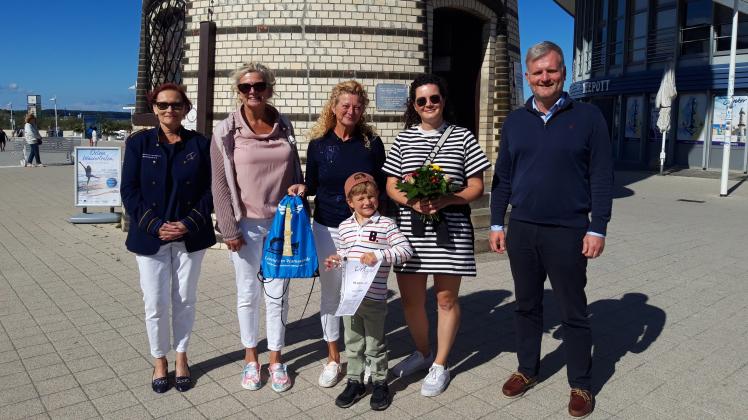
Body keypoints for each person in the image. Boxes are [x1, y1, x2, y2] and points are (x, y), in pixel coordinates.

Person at [488, 41, 613, 418]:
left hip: (569, 230)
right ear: (527, 76)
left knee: (573, 310)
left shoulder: (588, 118)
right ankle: (527, 369)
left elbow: (602, 177)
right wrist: (497, 221)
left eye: (552, 71)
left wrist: (598, 227)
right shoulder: (515, 120)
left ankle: (581, 383)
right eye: (538, 72)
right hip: (523, 229)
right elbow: (503, 176)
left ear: (564, 74)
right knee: (526, 304)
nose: (545, 77)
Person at [382, 73, 490, 397]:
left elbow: (476, 185)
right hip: (411, 230)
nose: (428, 104)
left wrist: (447, 198)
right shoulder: (402, 140)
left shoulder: (463, 137)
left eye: (434, 98)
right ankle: (423, 352)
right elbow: (390, 184)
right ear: (414, 106)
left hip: (451, 228)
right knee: (412, 302)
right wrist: (412, 201)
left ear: (443, 100)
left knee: (445, 298)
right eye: (421, 100)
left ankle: (440, 364)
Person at [211, 62, 306, 393]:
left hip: (283, 224)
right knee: (248, 294)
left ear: (270, 87)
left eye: (259, 85)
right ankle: (251, 358)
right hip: (245, 225)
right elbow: (220, 185)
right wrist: (229, 230)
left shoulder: (285, 125)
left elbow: (294, 172)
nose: (253, 91)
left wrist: (300, 188)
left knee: (278, 294)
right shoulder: (226, 131)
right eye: (246, 87)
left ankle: (276, 360)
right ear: (238, 91)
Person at [120, 83, 216, 394]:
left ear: (186, 109)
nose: (169, 110)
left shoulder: (200, 144)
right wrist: (155, 225)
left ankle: (182, 357)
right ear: (155, 109)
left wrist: (188, 223)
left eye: (176, 105)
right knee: (155, 302)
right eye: (162, 105)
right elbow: (129, 191)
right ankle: (159, 360)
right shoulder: (139, 143)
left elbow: (211, 190)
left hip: (189, 235)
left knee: (185, 299)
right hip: (151, 237)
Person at [305, 80, 387, 388]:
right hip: (327, 226)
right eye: (345, 105)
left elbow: (382, 187)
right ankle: (333, 357)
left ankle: (365, 357)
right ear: (334, 107)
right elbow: (311, 184)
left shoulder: (370, 143)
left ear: (362, 109)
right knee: (332, 292)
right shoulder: (319, 144)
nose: (350, 111)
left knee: (363, 293)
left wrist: (384, 227)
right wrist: (297, 190)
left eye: (356, 106)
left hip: (364, 230)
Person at [324, 172, 412, 410]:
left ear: (378, 197)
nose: (367, 202)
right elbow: (344, 253)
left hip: (374, 298)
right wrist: (336, 259)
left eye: (371, 196)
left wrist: (380, 255)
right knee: (352, 343)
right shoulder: (344, 227)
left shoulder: (386, 224)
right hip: (350, 299)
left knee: (375, 343)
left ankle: (380, 381)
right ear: (350, 202)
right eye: (360, 198)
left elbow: (405, 250)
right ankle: (355, 381)